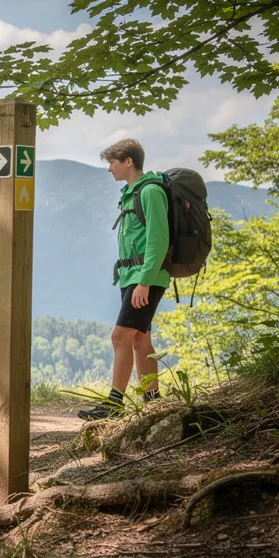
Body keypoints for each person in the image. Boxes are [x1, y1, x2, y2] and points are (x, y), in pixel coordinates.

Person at [78, 139, 167, 420]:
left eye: (112, 162)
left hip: (145, 276)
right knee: (140, 338)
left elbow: (158, 239)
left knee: (120, 336)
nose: (108, 169)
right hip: (132, 275)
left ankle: (115, 404)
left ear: (128, 161)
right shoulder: (131, 192)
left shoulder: (150, 191)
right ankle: (153, 402)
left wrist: (145, 281)